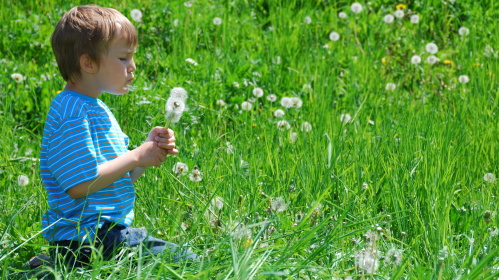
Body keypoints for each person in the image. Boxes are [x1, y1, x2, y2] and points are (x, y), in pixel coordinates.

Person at [38, 4, 197, 268]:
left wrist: (146, 153)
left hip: (102, 235)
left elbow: (115, 181)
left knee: (178, 259)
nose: (132, 67)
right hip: (89, 239)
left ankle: (59, 262)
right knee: (187, 262)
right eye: (123, 58)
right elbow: (79, 186)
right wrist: (135, 157)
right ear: (88, 63)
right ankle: (64, 261)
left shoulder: (95, 108)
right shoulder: (71, 113)